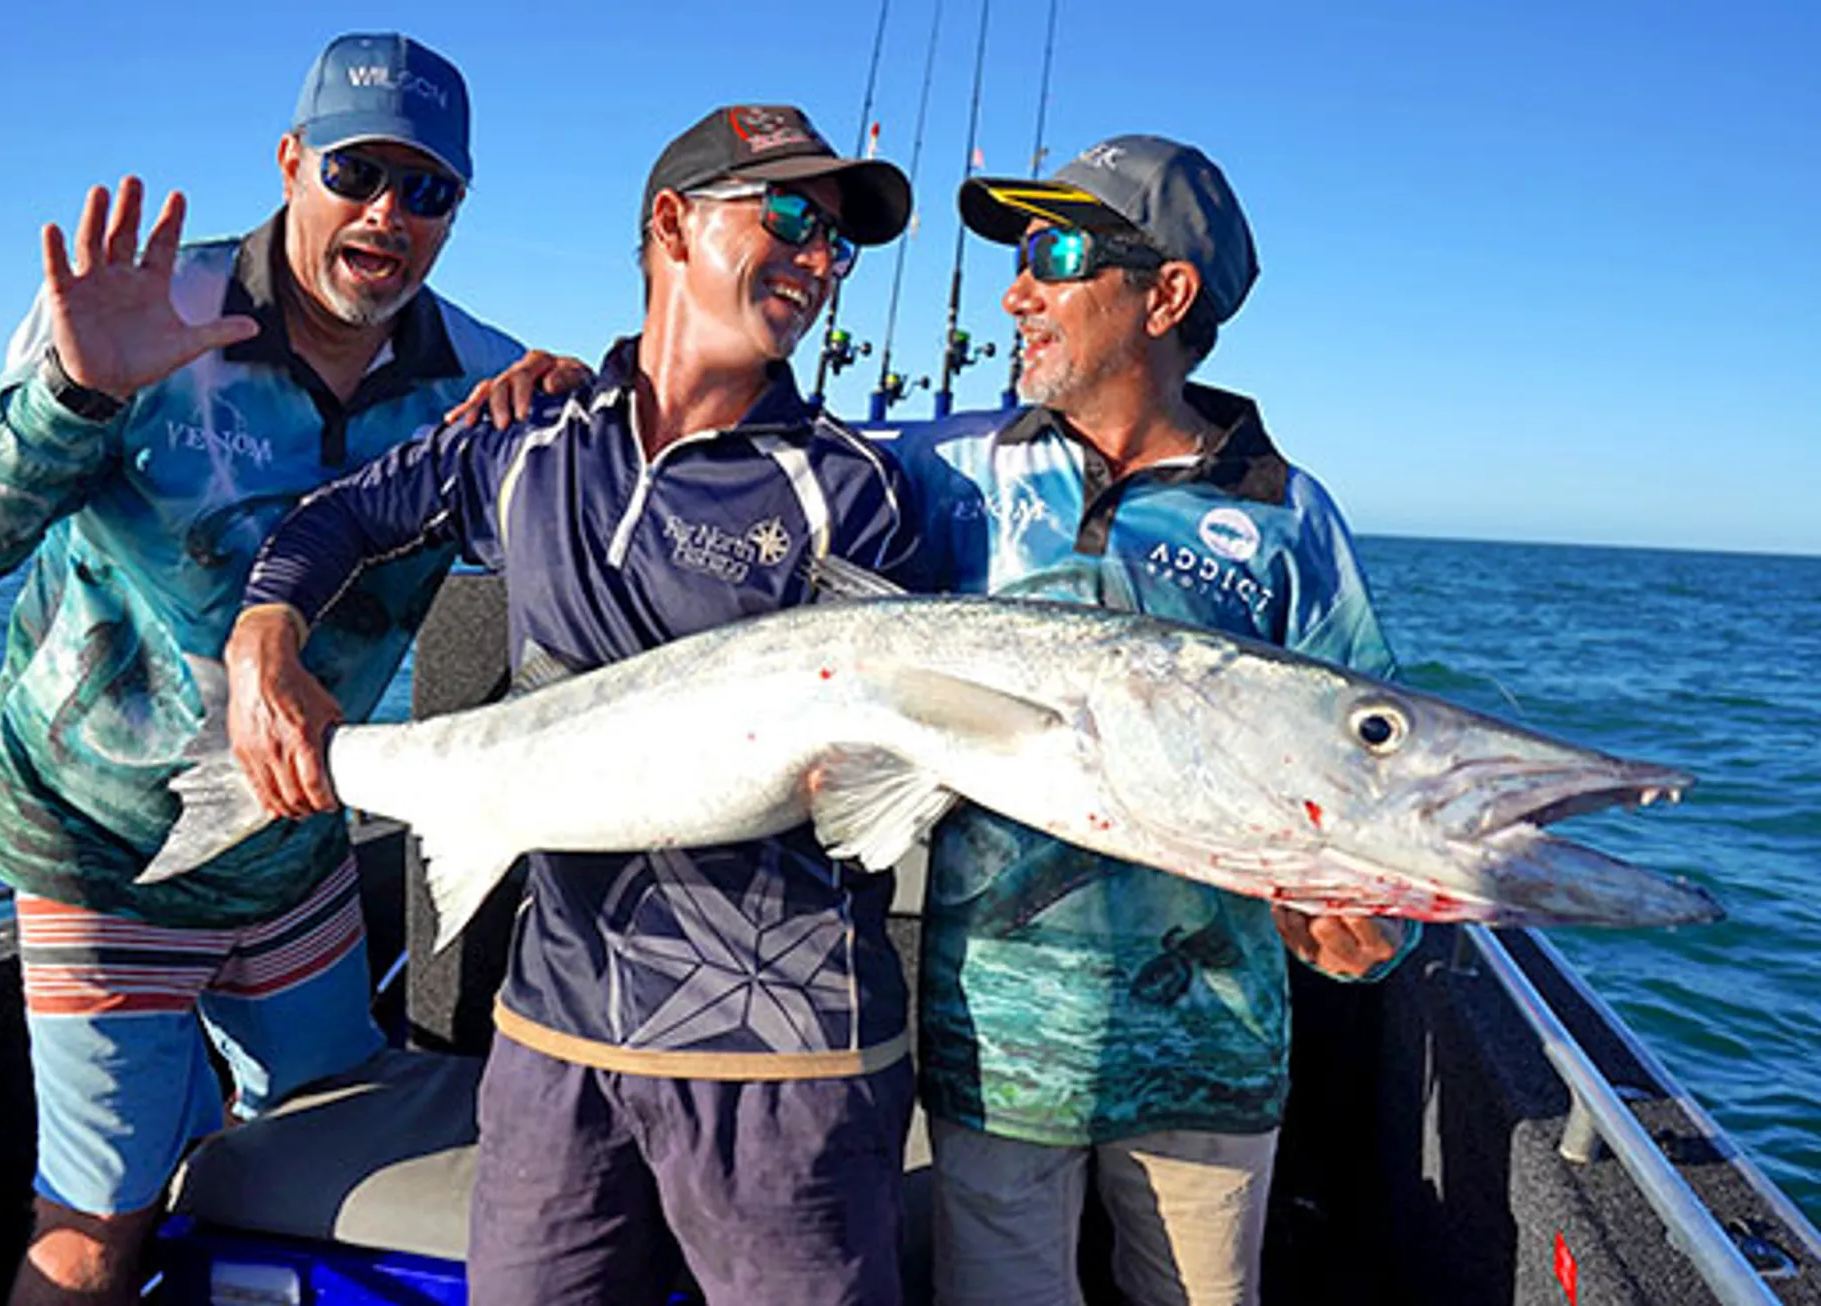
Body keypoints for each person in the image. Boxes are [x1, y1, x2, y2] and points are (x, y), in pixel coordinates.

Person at [0, 32, 554, 1305]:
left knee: (317, 1153)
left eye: (429, 192)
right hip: (99, 851)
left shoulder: (475, 382)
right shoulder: (145, 311)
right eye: (359, 170)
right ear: (292, 161)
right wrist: (72, 392)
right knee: (92, 1230)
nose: (387, 214)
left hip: (290, 853)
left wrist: (574, 403)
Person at [224, 105, 920, 1305]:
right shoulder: (527, 434)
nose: (816, 262)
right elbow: (334, 517)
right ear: (671, 222)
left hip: (784, 1059)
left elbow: (882, 761)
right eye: (792, 218)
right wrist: (263, 635)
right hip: (551, 1042)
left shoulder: (854, 492)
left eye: (838, 246)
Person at [893, 135, 1418, 1306]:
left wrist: (1372, 927)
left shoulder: (1286, 519)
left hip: (1210, 1059)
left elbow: (1381, 767)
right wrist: (592, 384)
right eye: (1017, 254)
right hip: (997, 1048)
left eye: (1055, 252)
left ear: (1166, 295)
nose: (1014, 290)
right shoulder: (945, 474)